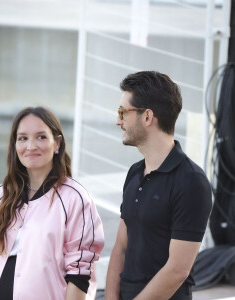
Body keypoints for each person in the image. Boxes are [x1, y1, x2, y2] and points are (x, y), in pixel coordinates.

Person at [105, 71, 212, 300]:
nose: (118, 120)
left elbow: (177, 270)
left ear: (147, 116)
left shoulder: (192, 181)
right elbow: (120, 248)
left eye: (123, 112)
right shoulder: (135, 172)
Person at [0, 106, 104, 300]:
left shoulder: (74, 198)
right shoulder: (1, 197)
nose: (31, 146)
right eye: (23, 138)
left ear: (57, 144)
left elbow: (80, 271)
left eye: (41, 137)